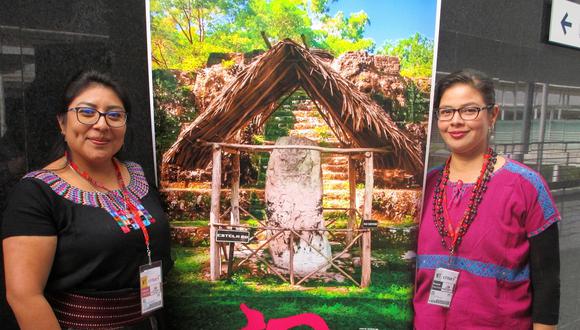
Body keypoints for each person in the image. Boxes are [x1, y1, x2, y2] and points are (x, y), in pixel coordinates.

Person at [2, 70, 172, 329]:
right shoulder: (35, 194)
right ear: (62, 122)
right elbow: (25, 296)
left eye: (114, 115)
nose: (102, 125)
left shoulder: (137, 176)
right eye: (87, 112)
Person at [413, 69, 560, 329]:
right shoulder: (425, 186)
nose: (455, 121)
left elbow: (547, 279)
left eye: (469, 110)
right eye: (446, 112)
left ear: (493, 115)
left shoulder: (527, 186)